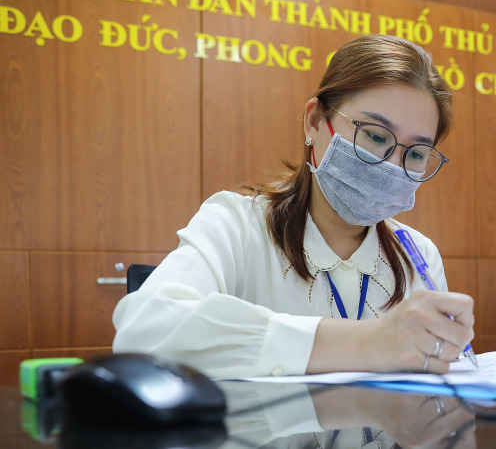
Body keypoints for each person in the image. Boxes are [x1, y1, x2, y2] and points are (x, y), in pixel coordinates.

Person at [112, 34, 475, 379]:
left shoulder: (419, 255)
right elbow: (145, 331)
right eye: (375, 136)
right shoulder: (235, 225)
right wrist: (367, 343)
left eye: (416, 153)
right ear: (315, 121)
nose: (392, 165)